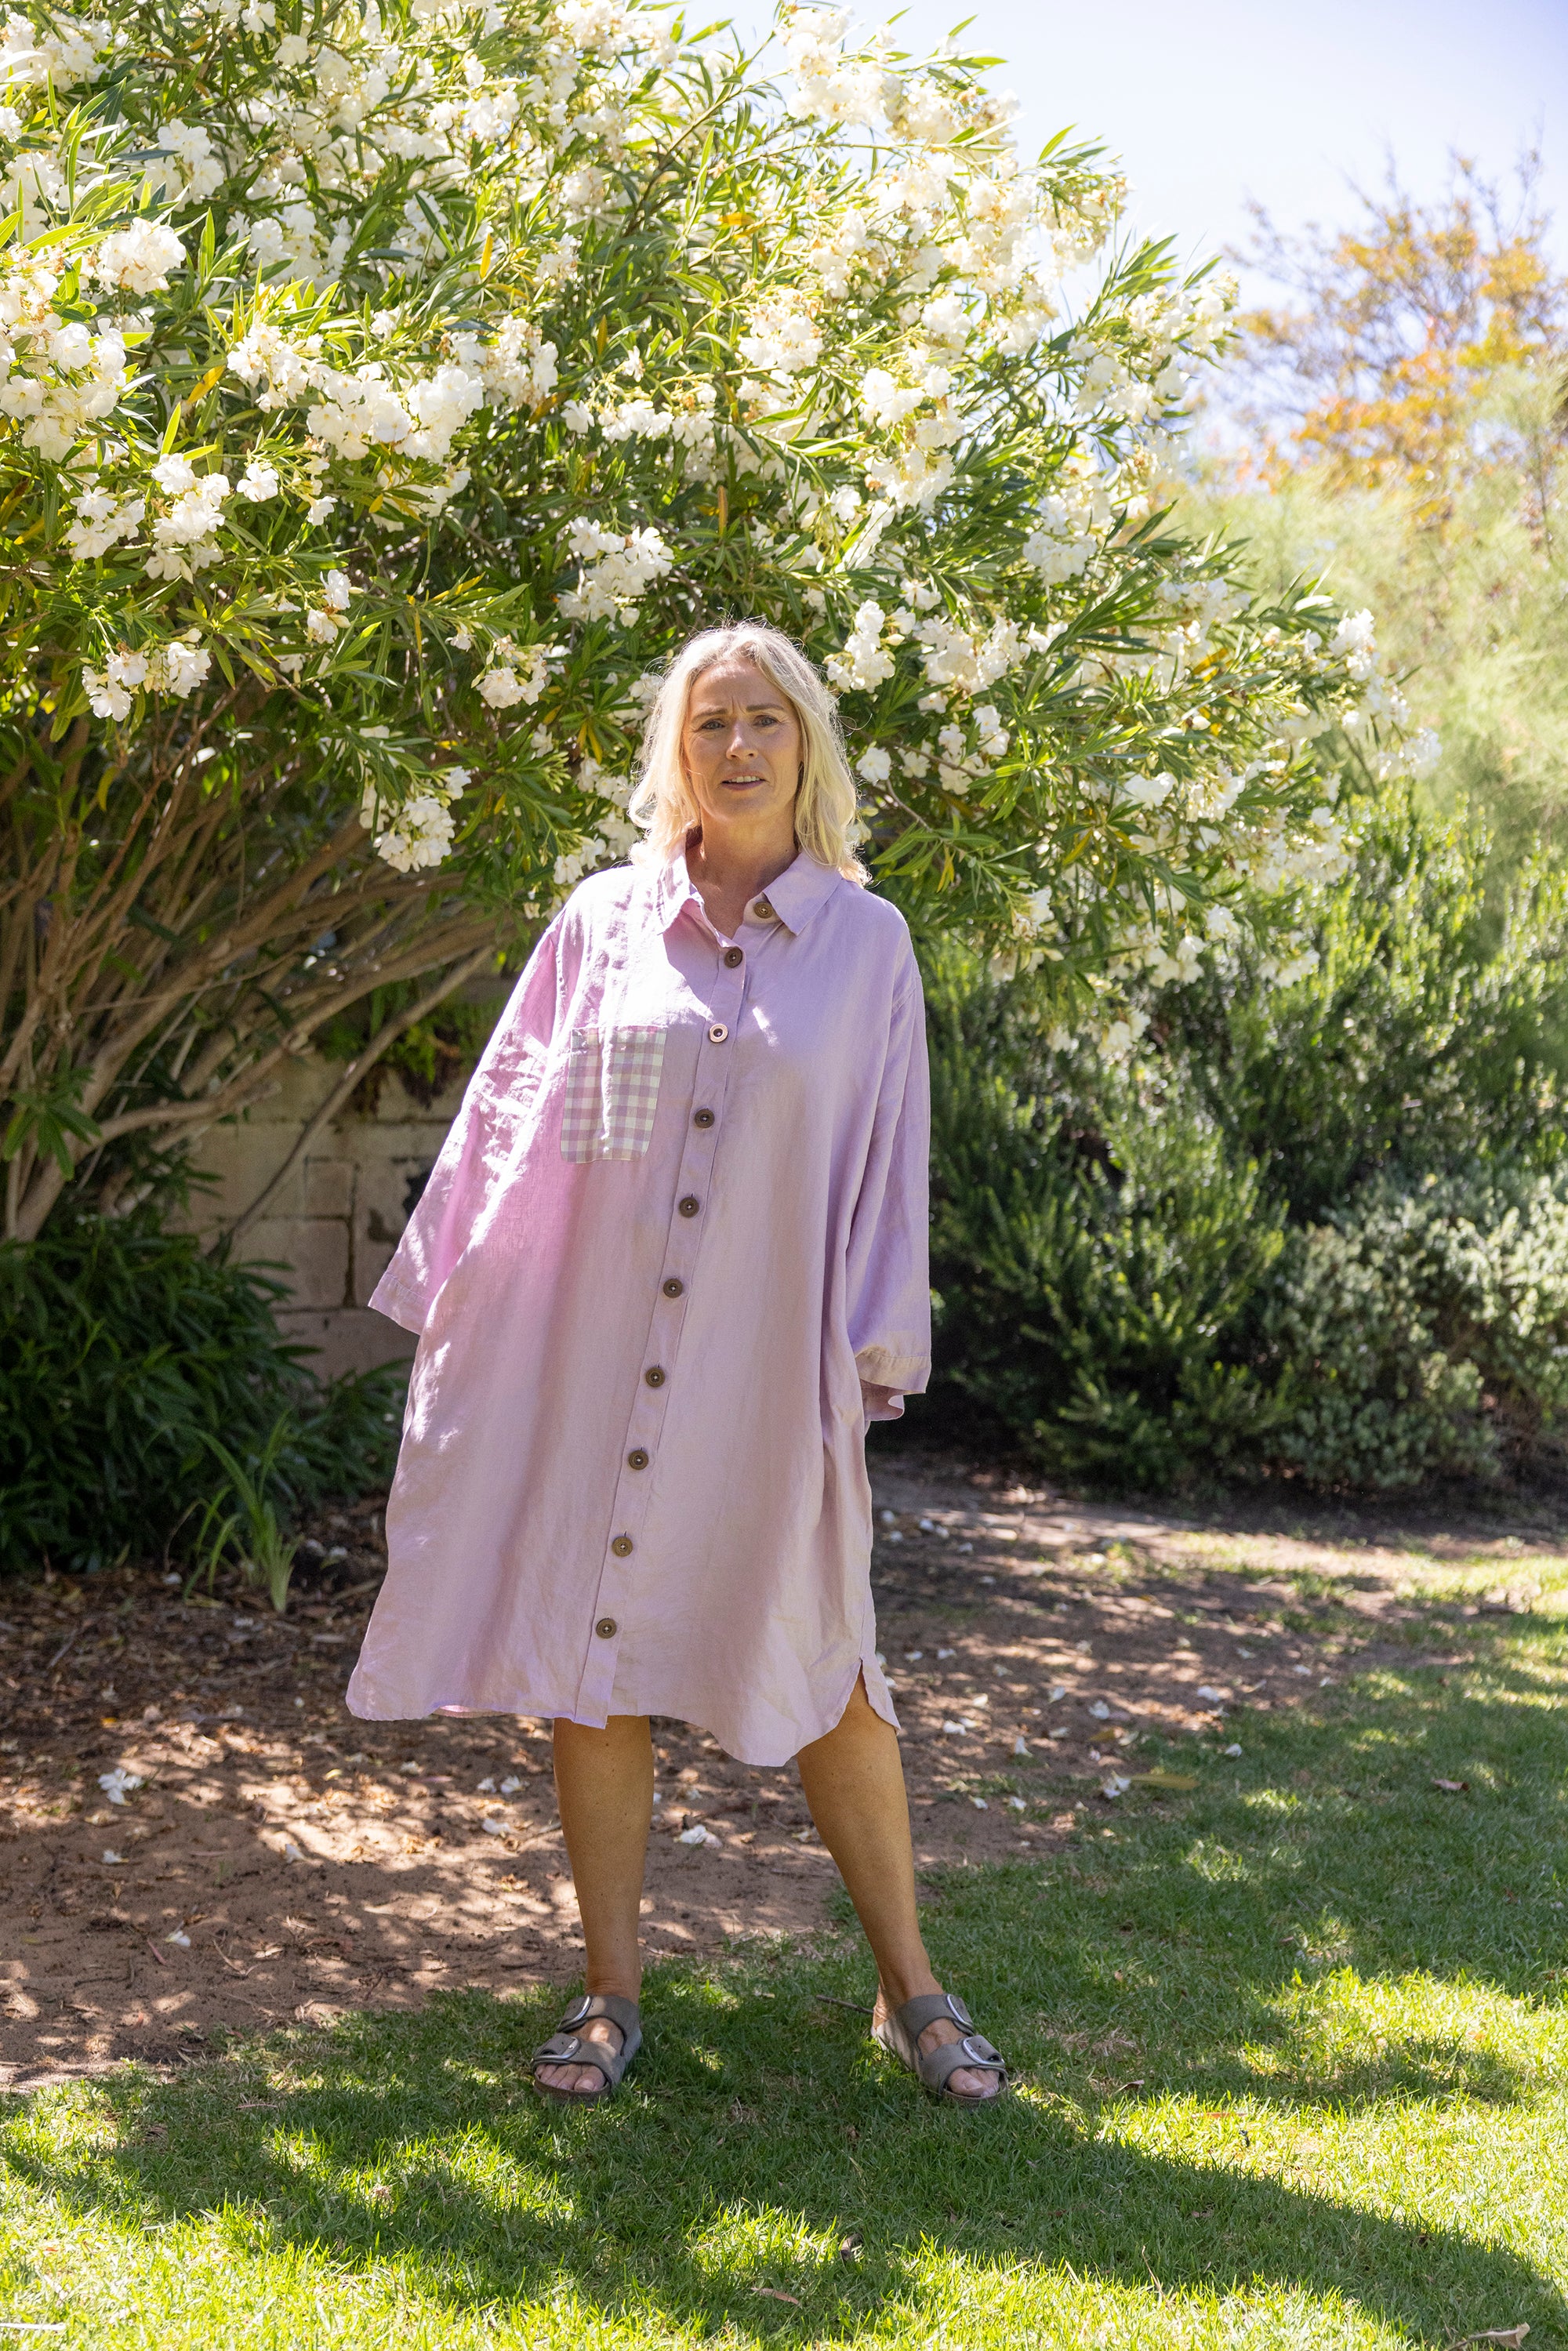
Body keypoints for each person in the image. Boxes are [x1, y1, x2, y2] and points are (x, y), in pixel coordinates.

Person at [347, 619, 1009, 2110]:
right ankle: (609, 1992)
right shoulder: (599, 925)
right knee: (600, 1667)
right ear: (678, 754)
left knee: (829, 1663)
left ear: (807, 744)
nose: (739, 747)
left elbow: (886, 1164)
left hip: (771, 1364)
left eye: (765, 719)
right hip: (601, 1359)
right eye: (711, 723)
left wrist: (869, 1358)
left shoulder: (868, 945)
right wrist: (461, 1301)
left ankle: (916, 1988)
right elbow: (523, 1124)